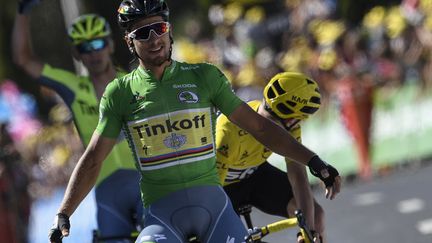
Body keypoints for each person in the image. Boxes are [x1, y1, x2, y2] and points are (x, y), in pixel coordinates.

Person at [48, 1, 341, 242]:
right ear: (129, 41)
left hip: (215, 210)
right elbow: (93, 159)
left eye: (159, 28)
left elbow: (261, 128)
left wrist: (315, 162)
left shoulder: (204, 77)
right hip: (161, 216)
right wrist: (64, 212)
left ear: (169, 30)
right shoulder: (119, 93)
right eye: (143, 33)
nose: (153, 39)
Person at [12, 0, 143, 240]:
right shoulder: (73, 87)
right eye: (84, 48)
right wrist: (23, 12)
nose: (93, 52)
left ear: (111, 44)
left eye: (98, 43)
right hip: (106, 188)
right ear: (76, 53)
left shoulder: (134, 82)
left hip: (143, 182)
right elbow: (23, 58)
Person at [216, 72, 332, 242]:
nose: (299, 123)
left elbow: (298, 177)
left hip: (254, 175)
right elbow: (212, 192)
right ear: (289, 116)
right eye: (299, 118)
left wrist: (307, 232)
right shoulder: (228, 130)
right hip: (220, 186)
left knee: (316, 217)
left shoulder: (290, 127)